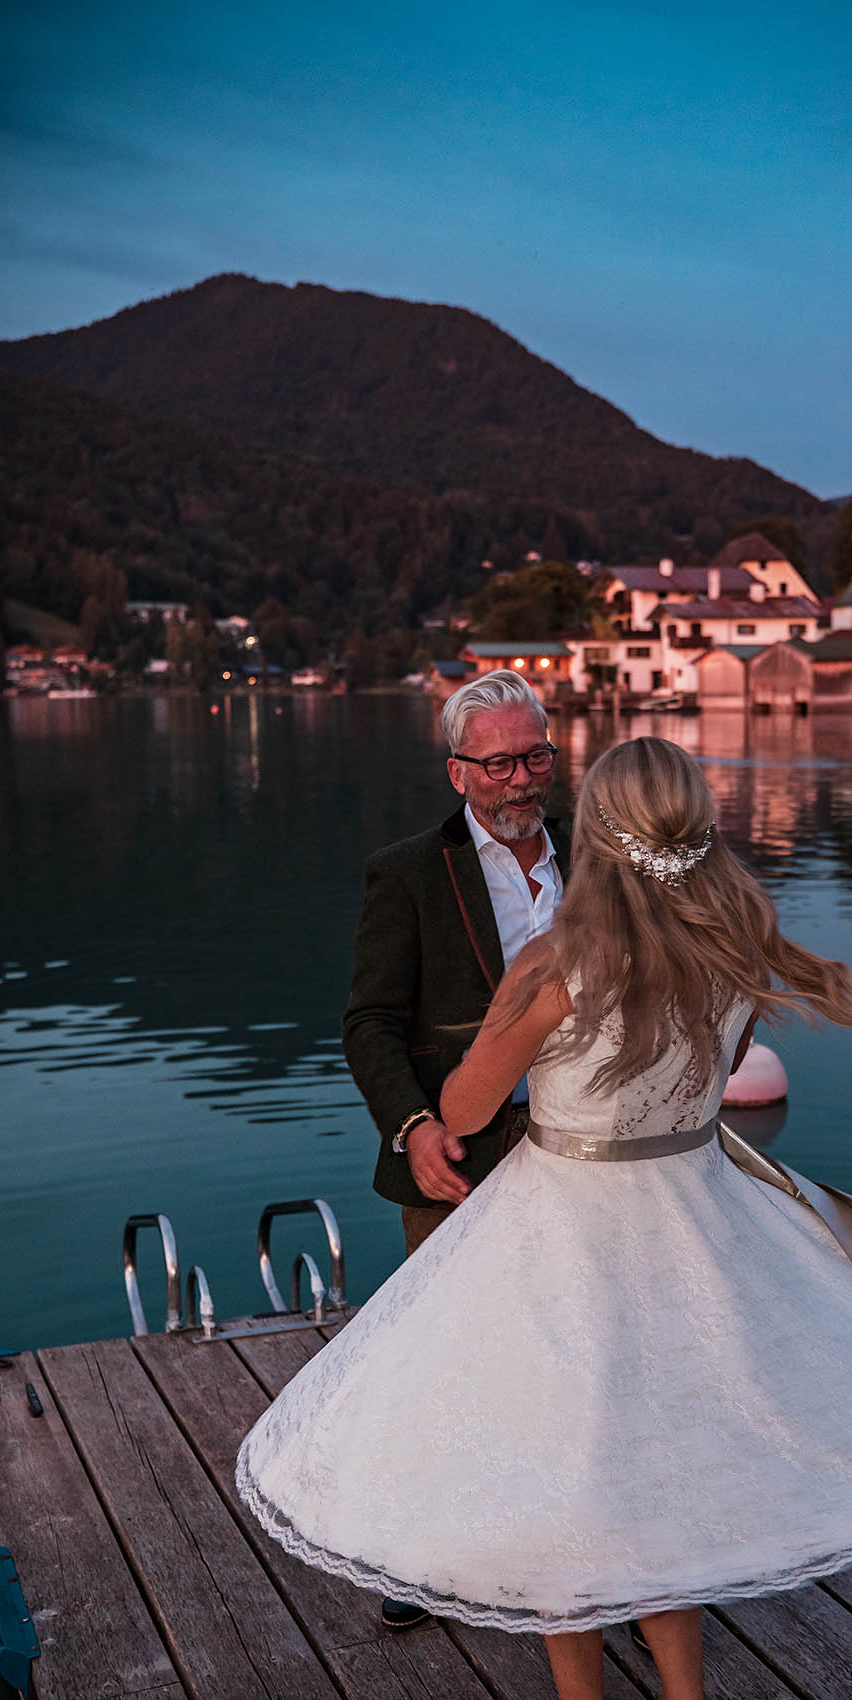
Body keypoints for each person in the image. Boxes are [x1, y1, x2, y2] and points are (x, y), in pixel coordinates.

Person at [239, 736, 852, 1700]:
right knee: (656, 1478)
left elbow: (472, 1105)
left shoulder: (554, 962)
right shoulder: (735, 942)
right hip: (697, 1225)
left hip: (565, 1235)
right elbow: (712, 1080)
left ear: (604, 828)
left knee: (563, 1481)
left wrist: (493, 1035)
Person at [341, 667, 569, 1628]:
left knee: (582, 1362)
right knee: (446, 1361)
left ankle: (605, 1563)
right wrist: (414, 1124)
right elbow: (370, 1023)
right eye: (500, 763)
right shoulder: (406, 872)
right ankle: (423, 1555)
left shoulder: (596, 861)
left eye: (536, 756)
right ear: (457, 772)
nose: (522, 779)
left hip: (581, 1157)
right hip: (456, 1160)